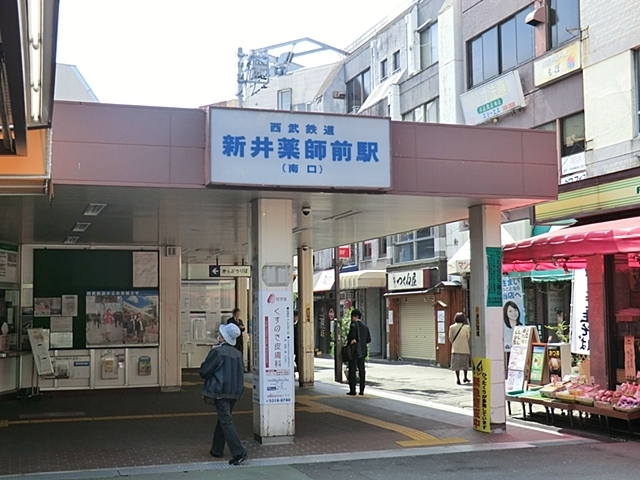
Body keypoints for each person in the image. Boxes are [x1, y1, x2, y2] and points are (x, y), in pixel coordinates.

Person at [199, 323, 247, 466]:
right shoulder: (238, 354)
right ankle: (216, 449)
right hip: (234, 392)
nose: (218, 335)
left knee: (226, 421)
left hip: (220, 392)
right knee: (224, 419)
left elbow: (204, 371)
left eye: (220, 333)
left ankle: (239, 452)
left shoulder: (217, 352)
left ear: (223, 337)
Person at [346, 309, 371, 396]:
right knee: (361, 370)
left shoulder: (353, 325)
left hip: (354, 352)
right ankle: (362, 390)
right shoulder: (365, 327)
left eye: (352, 316)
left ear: (355, 316)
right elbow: (369, 340)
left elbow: (350, 338)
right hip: (363, 351)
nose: (351, 318)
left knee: (352, 370)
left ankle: (353, 390)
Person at [449, 312, 471, 385]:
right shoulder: (466, 327)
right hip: (465, 348)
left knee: (457, 365)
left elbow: (450, 338)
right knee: (465, 364)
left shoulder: (452, 327)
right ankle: (465, 377)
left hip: (455, 349)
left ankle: (458, 379)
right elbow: (468, 337)